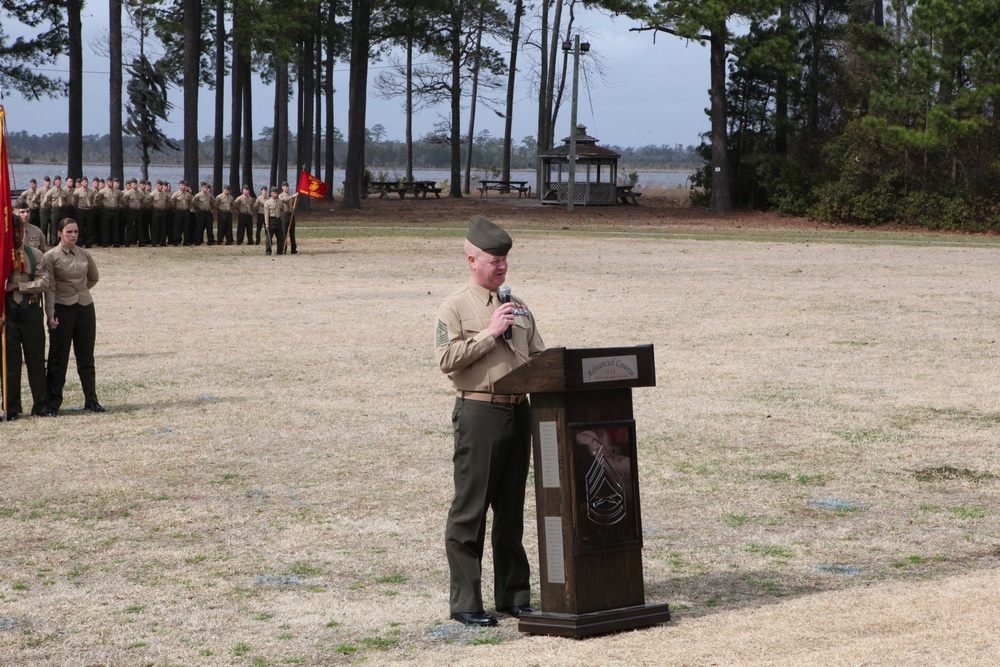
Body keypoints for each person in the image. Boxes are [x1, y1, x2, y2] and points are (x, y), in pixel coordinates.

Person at [435, 215, 545, 627]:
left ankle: (514, 596)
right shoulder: (455, 306)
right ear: (471, 260)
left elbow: (538, 355)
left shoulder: (519, 306)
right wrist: (490, 333)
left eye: (504, 261)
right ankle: (466, 603)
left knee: (512, 510)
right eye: (493, 260)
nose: (501, 267)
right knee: (471, 510)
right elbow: (446, 360)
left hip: (520, 411)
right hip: (480, 412)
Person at [44, 218, 105, 415]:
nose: (73, 235)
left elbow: (93, 277)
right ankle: (53, 403)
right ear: (59, 233)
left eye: (76, 232)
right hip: (63, 308)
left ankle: (91, 399)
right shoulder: (51, 256)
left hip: (85, 307)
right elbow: (50, 287)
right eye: (69, 232)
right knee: (58, 358)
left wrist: (81, 291)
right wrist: (51, 313)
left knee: (86, 356)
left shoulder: (84, 253)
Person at [2, 215, 54, 420]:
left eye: (19, 231)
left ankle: (41, 405)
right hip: (8, 315)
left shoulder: (36, 255)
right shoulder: (1, 256)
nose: (16, 235)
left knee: (36, 361)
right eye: (12, 231)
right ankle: (11, 407)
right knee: (10, 363)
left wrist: (18, 287)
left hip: (31, 311)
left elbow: (44, 283)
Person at [262, 187, 284, 255]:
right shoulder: (268, 203)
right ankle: (268, 251)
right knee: (269, 237)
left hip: (278, 220)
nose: (276, 194)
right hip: (271, 220)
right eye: (275, 193)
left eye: (277, 193)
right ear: (271, 194)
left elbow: (282, 210)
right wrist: (267, 223)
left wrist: (281, 218)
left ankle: (280, 251)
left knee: (280, 236)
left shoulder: (280, 201)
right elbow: (266, 214)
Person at [278, 181, 298, 254]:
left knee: (292, 232)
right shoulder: (281, 196)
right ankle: (283, 249)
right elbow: (284, 200)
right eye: (286, 187)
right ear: (282, 188)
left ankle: (293, 249)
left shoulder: (291, 195)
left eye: (288, 187)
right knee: (284, 232)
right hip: (284, 215)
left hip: (291, 214)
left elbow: (292, 203)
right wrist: (293, 196)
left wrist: (294, 201)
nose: (287, 188)